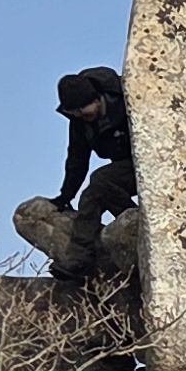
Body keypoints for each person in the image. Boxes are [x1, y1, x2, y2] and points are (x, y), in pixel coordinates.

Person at [55, 66, 135, 241]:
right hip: (128, 168)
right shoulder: (80, 122)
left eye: (82, 108)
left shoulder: (129, 97)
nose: (80, 115)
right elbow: (77, 159)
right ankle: (83, 250)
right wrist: (66, 195)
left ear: (95, 98)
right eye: (75, 112)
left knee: (101, 180)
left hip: (158, 162)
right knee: (92, 196)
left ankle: (137, 226)